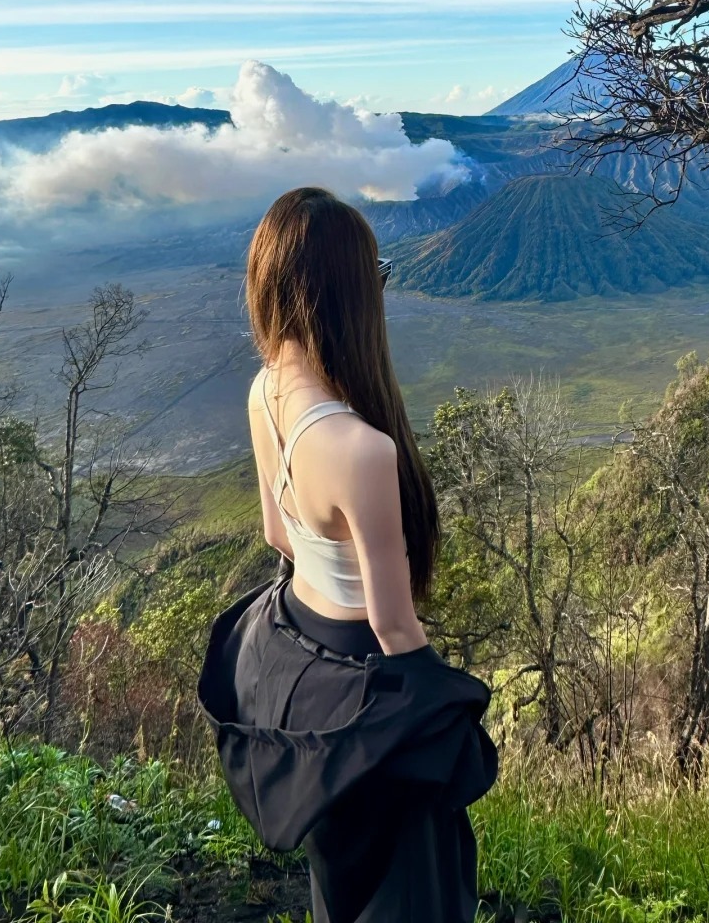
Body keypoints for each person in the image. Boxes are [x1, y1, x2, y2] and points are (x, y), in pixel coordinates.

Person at [197, 186, 498, 923]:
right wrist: (452, 720)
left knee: (344, 880)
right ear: (350, 292)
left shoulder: (263, 391)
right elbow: (395, 627)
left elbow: (278, 534)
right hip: (368, 681)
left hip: (300, 663)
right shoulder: (363, 450)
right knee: (415, 890)